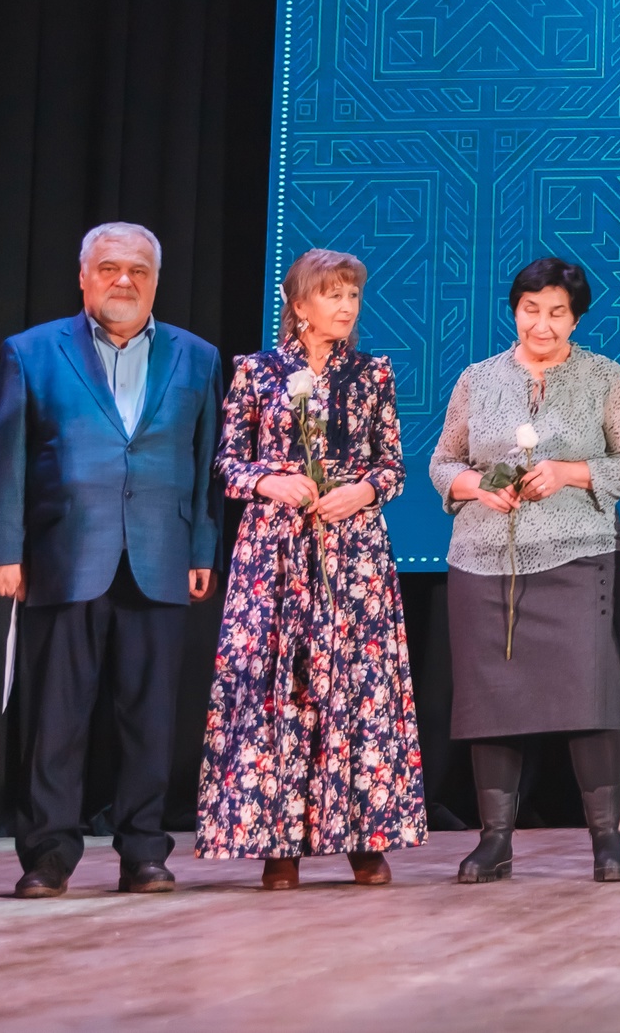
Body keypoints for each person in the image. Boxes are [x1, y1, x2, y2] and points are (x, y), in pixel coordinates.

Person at [0, 224, 221, 898]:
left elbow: (207, 462)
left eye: (139, 270)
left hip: (161, 555)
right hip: (62, 555)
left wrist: (202, 547)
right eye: (110, 267)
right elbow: (4, 461)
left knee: (150, 718)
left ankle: (144, 851)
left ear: (156, 281)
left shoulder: (198, 357)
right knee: (55, 718)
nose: (124, 280)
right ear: (83, 276)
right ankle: (47, 855)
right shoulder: (30, 352)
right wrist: (6, 549)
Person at [196, 249, 426, 888]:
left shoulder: (372, 373)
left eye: (353, 295)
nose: (347, 307)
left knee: (356, 682)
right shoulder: (256, 371)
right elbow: (227, 463)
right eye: (333, 295)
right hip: (275, 552)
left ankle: (363, 837)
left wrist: (364, 491)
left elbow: (393, 465)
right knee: (279, 685)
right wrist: (270, 481)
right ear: (299, 305)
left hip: (353, 553)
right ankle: (279, 842)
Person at [431, 257, 620, 884]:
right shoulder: (477, 378)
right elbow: (443, 462)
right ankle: (494, 841)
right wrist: (475, 485)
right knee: (491, 700)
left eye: (557, 312)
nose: (542, 324)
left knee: (591, 695)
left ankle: (607, 840)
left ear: (576, 318)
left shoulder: (607, 377)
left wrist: (570, 472)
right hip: (484, 559)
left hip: (580, 554)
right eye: (531, 310)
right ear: (514, 310)